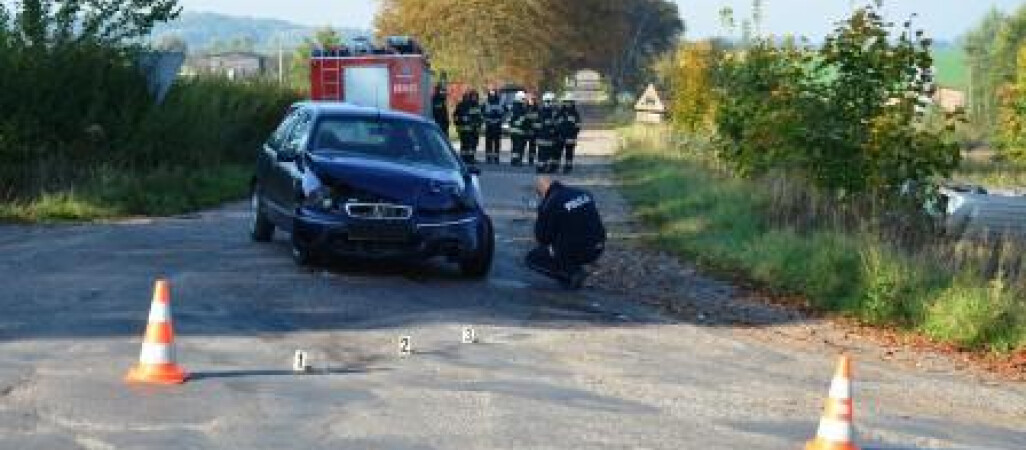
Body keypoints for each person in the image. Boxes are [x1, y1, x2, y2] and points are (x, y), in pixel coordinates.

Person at [525, 176, 606, 289]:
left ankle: (572, 274)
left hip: (578, 250)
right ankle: (573, 265)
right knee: (569, 238)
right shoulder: (582, 193)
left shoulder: (550, 203)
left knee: (532, 259)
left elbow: (542, 238)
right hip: (598, 245)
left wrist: (541, 213)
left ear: (542, 192)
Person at [454, 89, 483, 164]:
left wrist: (479, 123)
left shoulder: (477, 105)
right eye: (473, 97)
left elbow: (479, 116)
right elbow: (458, 116)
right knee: (466, 144)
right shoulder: (463, 105)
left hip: (474, 129)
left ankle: (471, 158)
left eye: (476, 97)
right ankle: (465, 159)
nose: (474, 98)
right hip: (466, 129)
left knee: (473, 144)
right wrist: (461, 122)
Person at [535, 92, 560, 174]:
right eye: (551, 101)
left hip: (546, 137)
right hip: (545, 137)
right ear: (547, 101)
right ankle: (542, 168)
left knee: (545, 154)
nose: (553, 103)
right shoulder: (545, 112)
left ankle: (543, 168)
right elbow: (538, 124)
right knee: (544, 154)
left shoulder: (551, 111)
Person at [557, 95, 582, 173]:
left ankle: (568, 167)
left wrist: (574, 135)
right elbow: (556, 123)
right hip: (560, 136)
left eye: (569, 102)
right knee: (558, 152)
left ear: (572, 103)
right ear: (563, 103)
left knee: (569, 153)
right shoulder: (560, 112)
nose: (568, 104)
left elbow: (578, 126)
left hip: (571, 137)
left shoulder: (575, 114)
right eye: (566, 102)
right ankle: (556, 166)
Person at [483, 88, 505, 164]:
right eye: (491, 93)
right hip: (489, 124)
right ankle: (488, 158)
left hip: (497, 124)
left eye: (494, 93)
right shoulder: (485, 102)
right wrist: (485, 119)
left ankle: (496, 158)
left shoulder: (500, 102)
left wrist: (501, 119)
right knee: (488, 142)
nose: (492, 95)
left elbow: (505, 112)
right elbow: (481, 112)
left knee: (497, 142)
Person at [508, 91, 529, 167]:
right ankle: (517, 160)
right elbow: (522, 119)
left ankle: (514, 160)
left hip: (514, 130)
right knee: (519, 147)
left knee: (515, 146)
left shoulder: (513, 106)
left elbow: (510, 119)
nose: (524, 100)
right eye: (523, 99)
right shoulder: (519, 107)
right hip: (519, 131)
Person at [524, 94, 541, 167]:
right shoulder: (524, 108)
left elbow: (539, 120)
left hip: (534, 130)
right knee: (522, 145)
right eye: (530, 99)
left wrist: (535, 129)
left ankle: (531, 159)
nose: (531, 101)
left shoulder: (538, 109)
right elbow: (523, 119)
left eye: (533, 99)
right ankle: (520, 158)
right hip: (525, 130)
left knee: (532, 146)